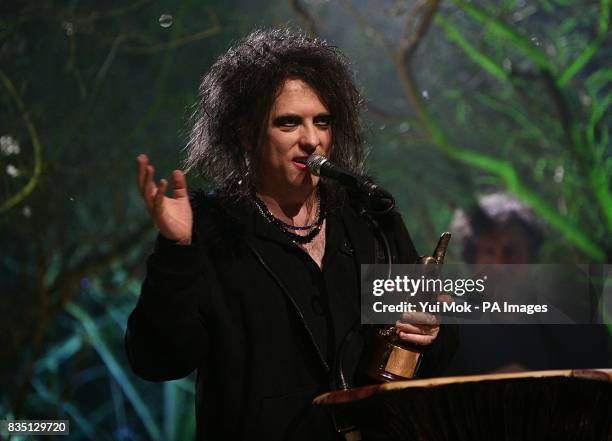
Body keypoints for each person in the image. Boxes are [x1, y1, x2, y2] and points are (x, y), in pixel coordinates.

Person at [125, 28, 455, 441]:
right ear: (247, 134)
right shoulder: (210, 227)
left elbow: (429, 353)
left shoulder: (369, 217)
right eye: (288, 123)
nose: (311, 140)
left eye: (321, 121)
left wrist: (431, 330)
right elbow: (157, 361)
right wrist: (176, 251)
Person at [445, 193, 610, 374]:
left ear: (530, 255)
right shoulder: (449, 328)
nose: (501, 264)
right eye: (489, 252)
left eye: (511, 251)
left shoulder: (574, 320)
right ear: (472, 260)